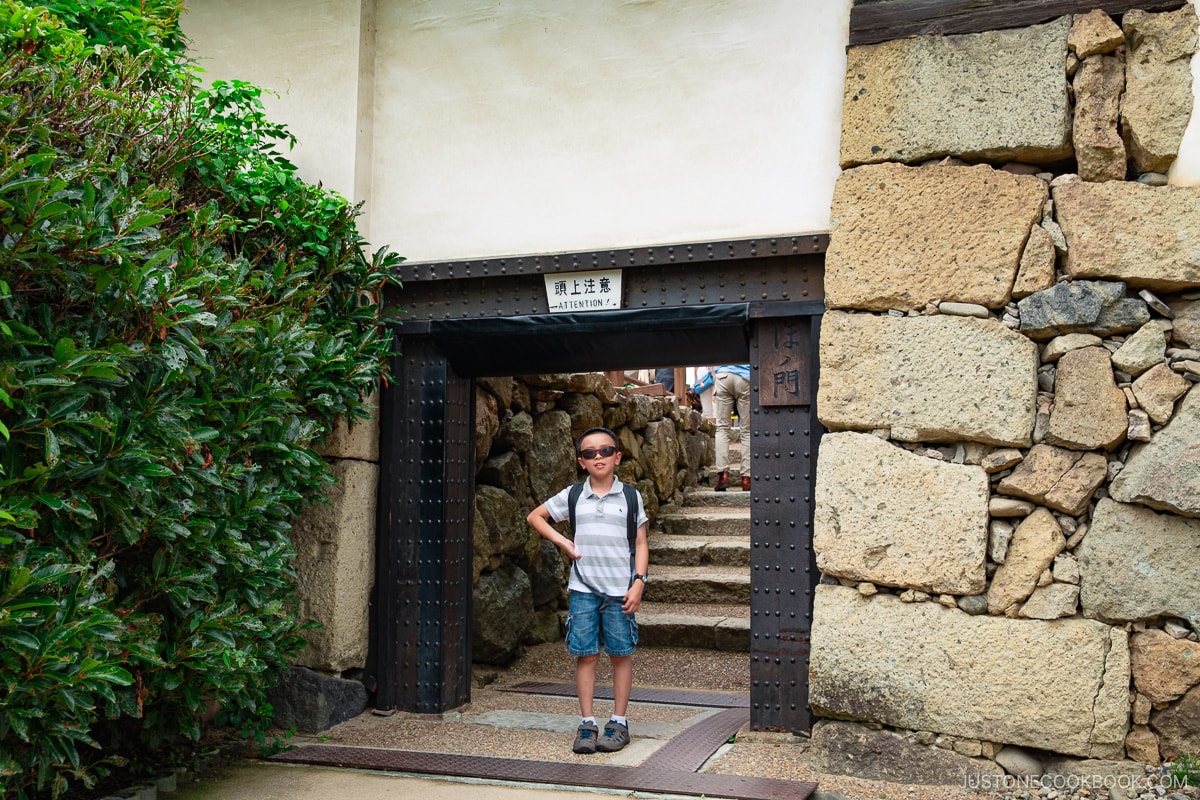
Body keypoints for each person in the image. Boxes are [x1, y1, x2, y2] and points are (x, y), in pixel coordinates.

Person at [526, 427, 650, 755]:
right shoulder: (573, 496)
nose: (599, 457)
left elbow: (640, 542)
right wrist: (562, 541)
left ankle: (619, 722)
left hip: (620, 590)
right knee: (586, 655)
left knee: (621, 655)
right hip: (583, 588)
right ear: (581, 461)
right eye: (590, 453)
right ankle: (587, 722)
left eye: (606, 451)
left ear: (617, 457)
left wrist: (639, 581)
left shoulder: (630, 496)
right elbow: (535, 516)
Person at [711, 365, 751, 491]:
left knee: (722, 429)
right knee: (747, 431)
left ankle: (723, 476)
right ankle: (746, 479)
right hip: (745, 377)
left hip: (723, 375)